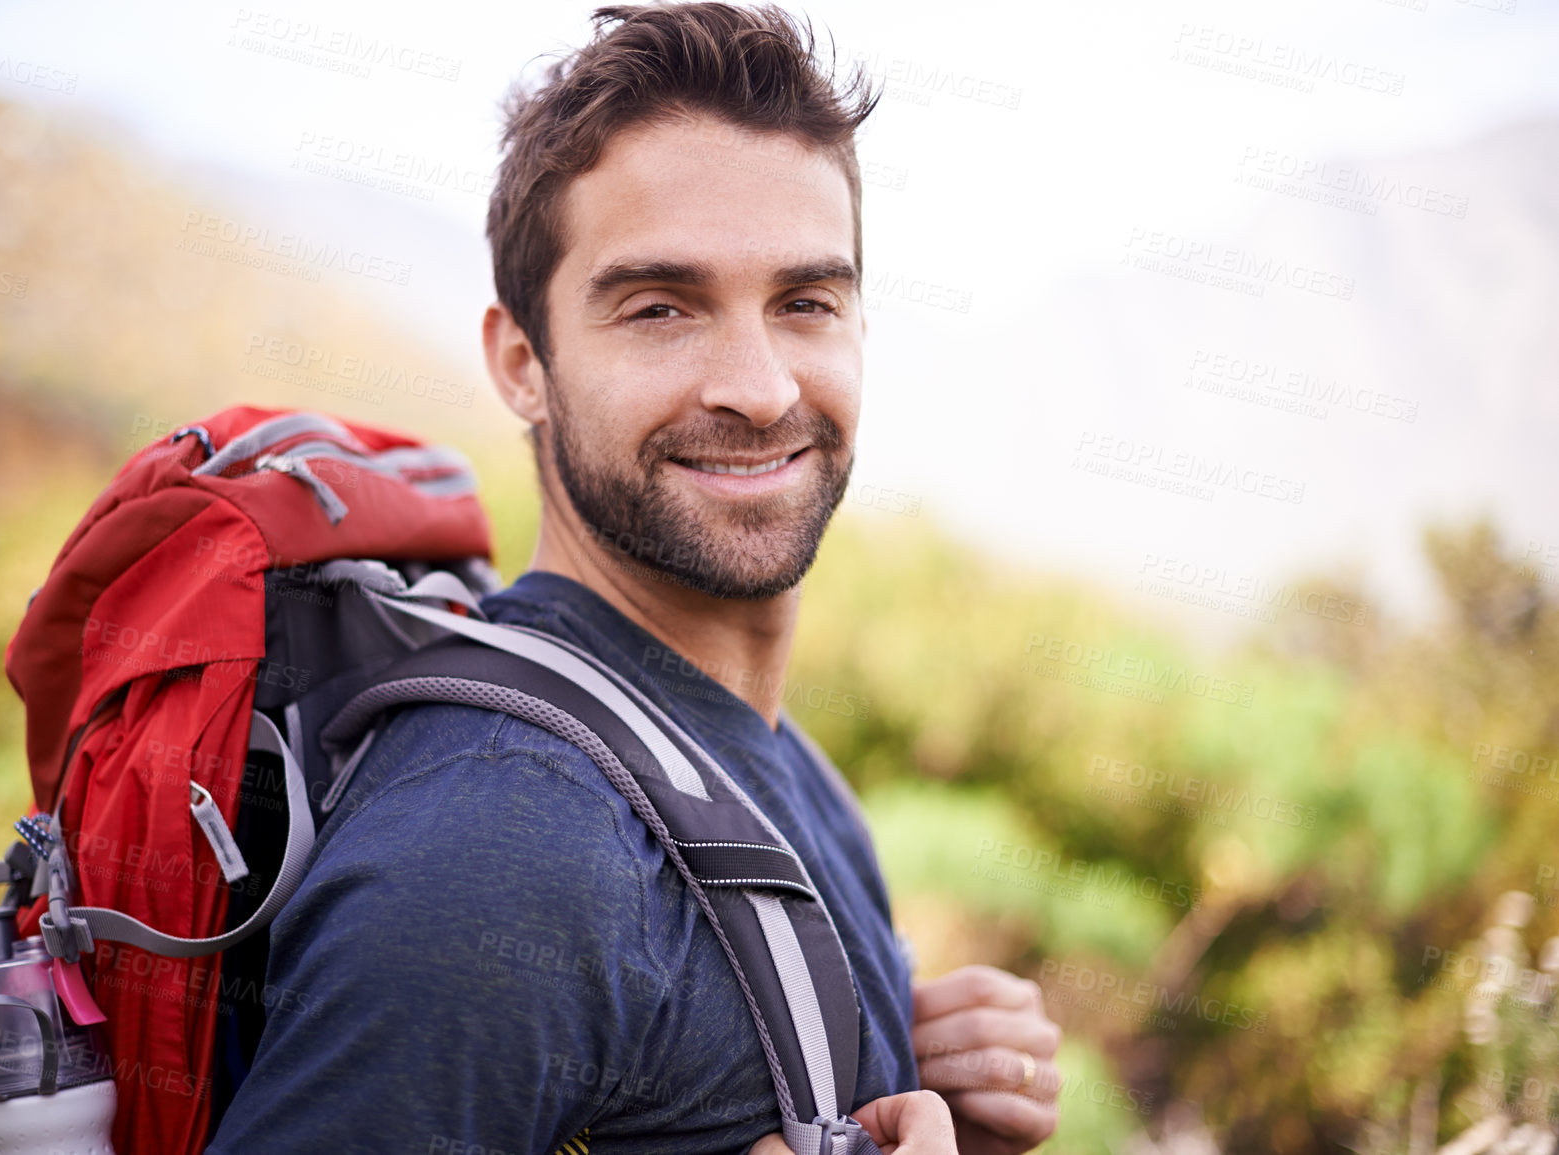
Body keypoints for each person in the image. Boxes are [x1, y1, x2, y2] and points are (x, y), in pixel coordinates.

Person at [205, 5, 1061, 1153]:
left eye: (806, 301)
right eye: (661, 308)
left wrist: (943, 1097)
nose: (758, 388)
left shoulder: (767, 757)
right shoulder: (506, 846)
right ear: (524, 363)